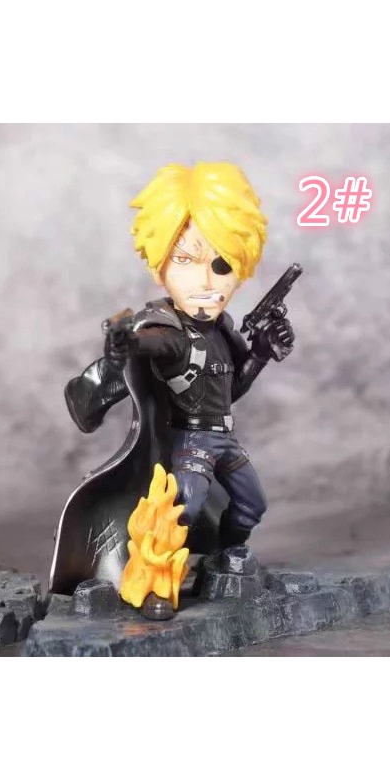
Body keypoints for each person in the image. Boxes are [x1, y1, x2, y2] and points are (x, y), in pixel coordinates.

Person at [53, 162, 295, 618]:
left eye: (221, 265)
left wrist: (261, 352)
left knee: (252, 505)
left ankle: (226, 557)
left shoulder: (222, 330)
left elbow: (231, 390)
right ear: (160, 262)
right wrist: (125, 346)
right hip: (190, 442)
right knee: (181, 509)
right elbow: (151, 344)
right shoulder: (168, 330)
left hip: (224, 438)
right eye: (185, 260)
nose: (205, 281)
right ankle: (155, 582)